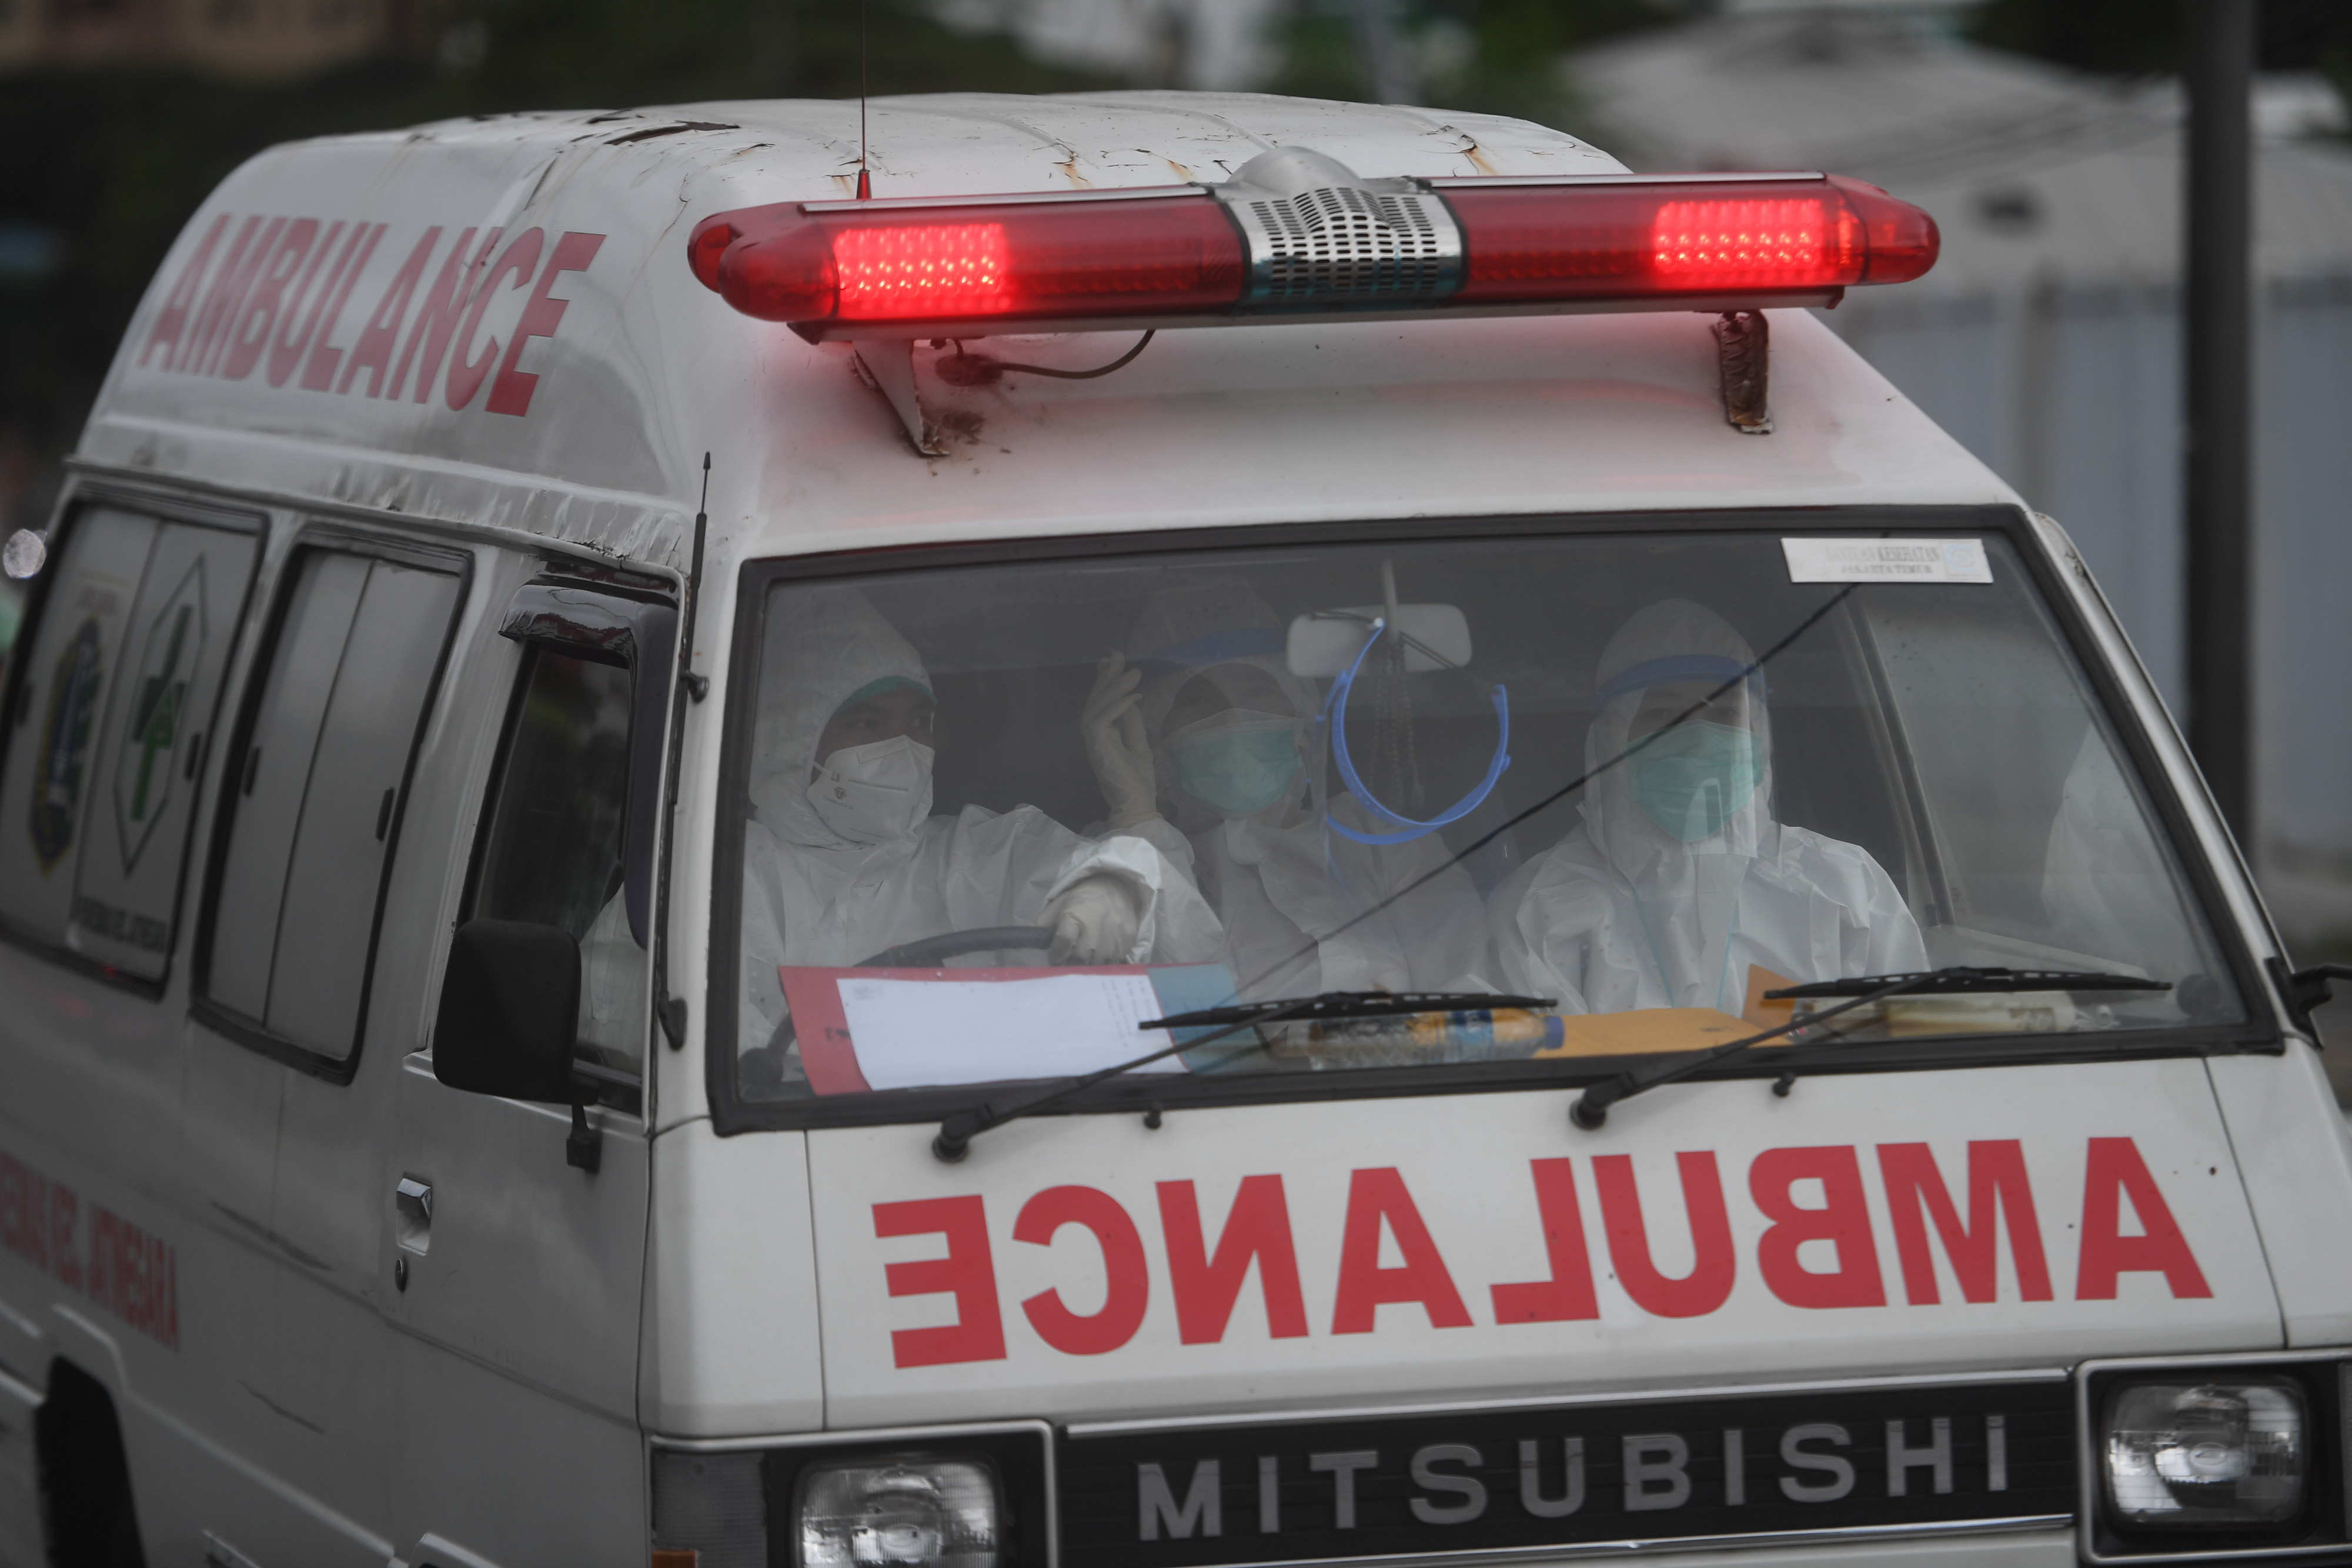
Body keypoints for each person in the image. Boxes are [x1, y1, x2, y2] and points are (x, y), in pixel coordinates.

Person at [737, 586, 1220, 1071]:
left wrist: (1115, 885)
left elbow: (1193, 990)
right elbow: (735, 1059)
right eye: (867, 723)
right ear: (793, 737)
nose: (902, 746)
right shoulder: (734, 877)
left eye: (919, 721)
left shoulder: (973, 852)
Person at [1490, 598, 1925, 1014]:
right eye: (1664, 715)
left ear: (1757, 731)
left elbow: (1906, 1038)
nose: (1698, 740)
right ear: (1612, 738)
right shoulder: (1537, 905)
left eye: (1723, 716)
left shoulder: (1846, 885)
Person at [1085, 581, 1496, 999]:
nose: (1235, 718)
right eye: (1199, 701)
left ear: (1300, 716)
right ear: (1152, 733)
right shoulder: (1103, 866)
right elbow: (1145, 998)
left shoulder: (1378, 842)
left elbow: (1466, 996)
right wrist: (1138, 825)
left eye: (1258, 693)